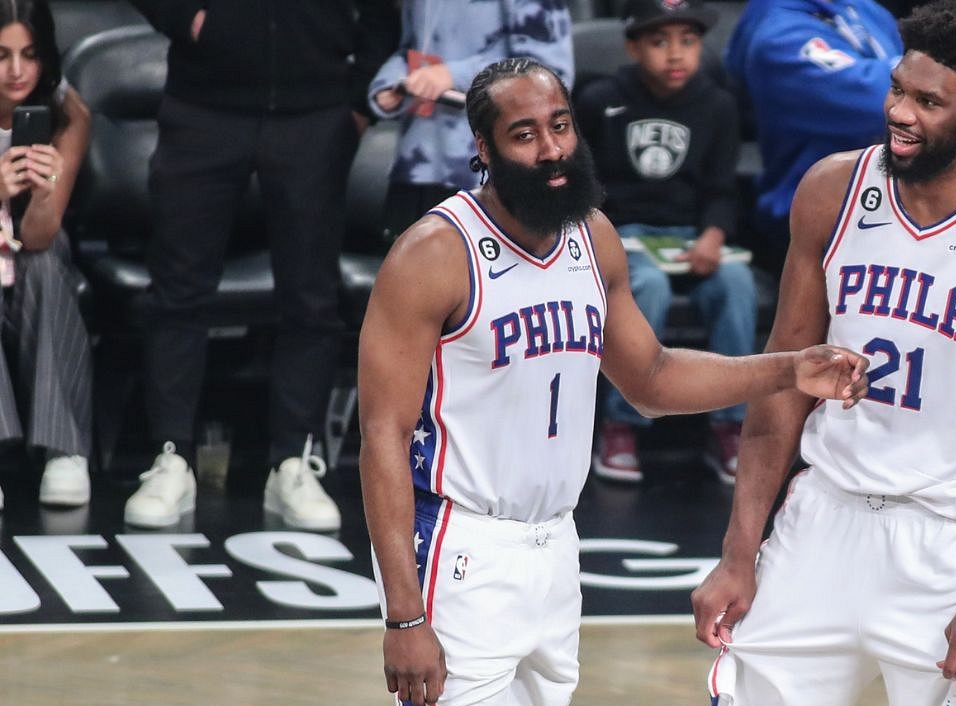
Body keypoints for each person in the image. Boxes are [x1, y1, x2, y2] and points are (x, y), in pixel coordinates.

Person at [357, 57, 868, 706]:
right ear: (483, 149)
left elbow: (651, 379)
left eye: (561, 126)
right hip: (459, 548)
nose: (551, 150)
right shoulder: (432, 254)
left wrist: (787, 368)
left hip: (556, 547)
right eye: (524, 134)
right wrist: (403, 617)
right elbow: (382, 438)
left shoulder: (591, 237)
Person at [692, 3, 956, 706]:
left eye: (926, 101)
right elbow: (782, 379)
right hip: (820, 522)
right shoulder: (832, 191)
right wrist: (740, 550)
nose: (898, 112)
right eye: (897, 90)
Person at [123, 0, 397, 530]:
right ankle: (170, 456)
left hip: (315, 109)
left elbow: (387, 14)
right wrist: (183, 17)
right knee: (178, 291)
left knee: (311, 298)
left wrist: (358, 95)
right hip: (203, 105)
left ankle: (293, 459)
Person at [576, 0, 755, 484]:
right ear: (633, 46)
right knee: (646, 287)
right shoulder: (599, 100)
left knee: (736, 285)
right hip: (622, 236)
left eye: (688, 41)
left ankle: (730, 426)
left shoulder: (717, 105)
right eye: (659, 42)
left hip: (691, 238)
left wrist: (714, 238)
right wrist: (606, 239)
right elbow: (584, 188)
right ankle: (621, 424)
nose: (676, 54)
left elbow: (723, 189)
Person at [368, 0, 573, 243]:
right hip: (417, 165)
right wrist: (391, 81)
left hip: (490, 172)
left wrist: (453, 75)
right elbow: (410, 49)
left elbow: (549, 72)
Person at [724, 0, 901, 275]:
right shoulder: (776, 34)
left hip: (891, 211)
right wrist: (936, 73)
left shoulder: (865, 9)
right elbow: (878, 104)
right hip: (819, 222)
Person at [0, 0, 92, 511]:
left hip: (29, 249)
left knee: (48, 262)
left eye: (30, 55)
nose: (17, 71)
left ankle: (64, 448)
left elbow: (38, 235)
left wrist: (40, 192)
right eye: (2, 55)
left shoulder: (66, 115)